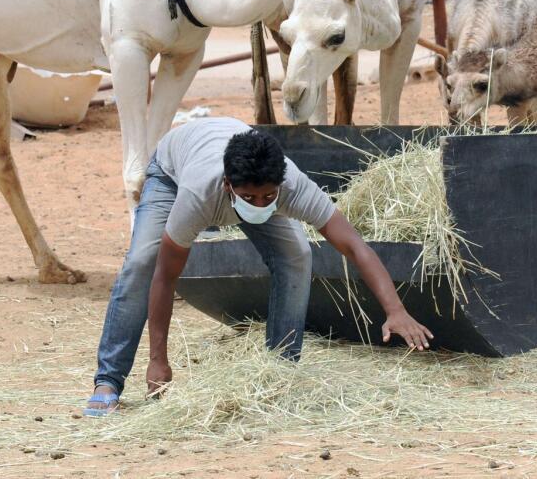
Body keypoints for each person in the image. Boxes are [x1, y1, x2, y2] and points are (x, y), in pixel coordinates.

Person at [85, 116, 433, 416]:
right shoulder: (199, 195)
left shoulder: (293, 187)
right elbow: (166, 274)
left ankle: (280, 371)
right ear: (229, 186)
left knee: (297, 253)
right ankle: (109, 381)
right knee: (143, 262)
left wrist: (395, 309)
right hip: (172, 170)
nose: (260, 204)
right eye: (250, 198)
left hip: (233, 158)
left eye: (269, 196)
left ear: (280, 185)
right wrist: (158, 359)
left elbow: (354, 246)